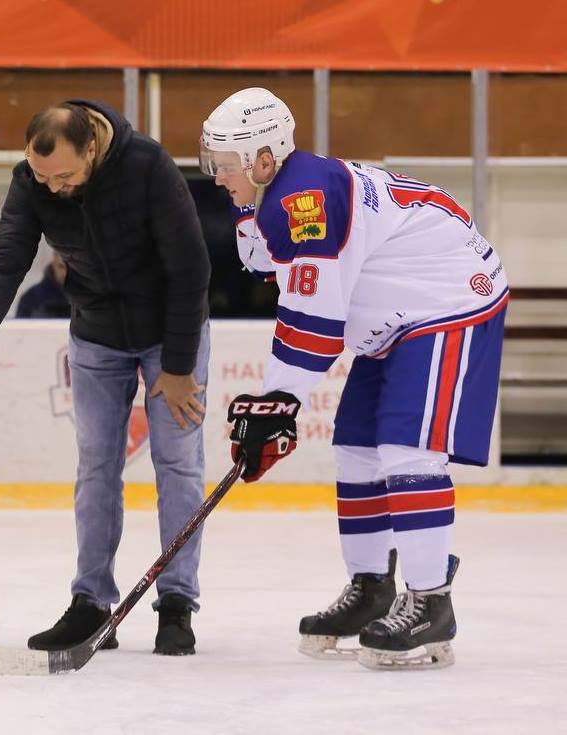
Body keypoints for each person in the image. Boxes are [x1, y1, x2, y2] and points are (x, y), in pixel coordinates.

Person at [201, 87, 508, 670]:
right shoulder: (273, 192)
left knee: (407, 451)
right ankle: (373, 590)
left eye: (223, 165)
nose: (215, 177)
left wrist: (276, 405)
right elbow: (268, 264)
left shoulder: (304, 199)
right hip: (396, 315)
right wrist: (276, 404)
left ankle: (430, 600)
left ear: (265, 159)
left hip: (447, 302)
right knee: (357, 452)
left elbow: (314, 323)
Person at [0, 101, 211, 656]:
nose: (54, 188)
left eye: (64, 175)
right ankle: (91, 603)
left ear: (92, 146)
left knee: (178, 462)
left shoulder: (148, 166)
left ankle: (177, 604)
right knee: (96, 467)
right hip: (95, 336)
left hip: (169, 334)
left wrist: (181, 368)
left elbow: (191, 269)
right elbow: (6, 258)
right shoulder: (33, 181)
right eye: (43, 177)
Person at [15, 253, 71, 318]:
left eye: (70, 268)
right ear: (54, 263)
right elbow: (20, 326)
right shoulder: (31, 298)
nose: (65, 273)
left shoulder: (83, 297)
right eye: (61, 266)